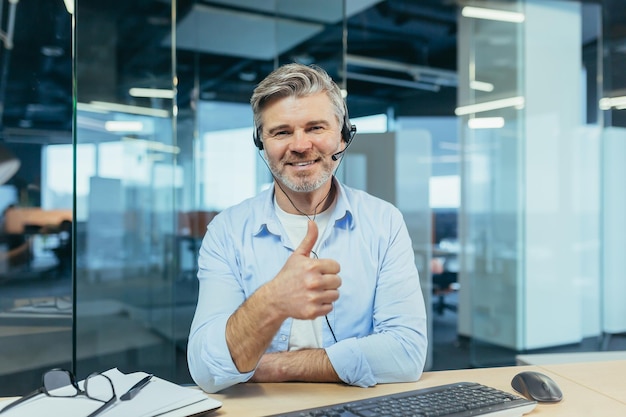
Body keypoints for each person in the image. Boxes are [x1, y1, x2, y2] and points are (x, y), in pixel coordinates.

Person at [187, 63, 428, 394]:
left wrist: (275, 366)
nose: (300, 145)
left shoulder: (384, 222)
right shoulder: (226, 232)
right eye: (282, 132)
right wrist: (272, 301)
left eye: (316, 127)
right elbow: (206, 368)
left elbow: (406, 354)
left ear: (344, 135)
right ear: (261, 142)